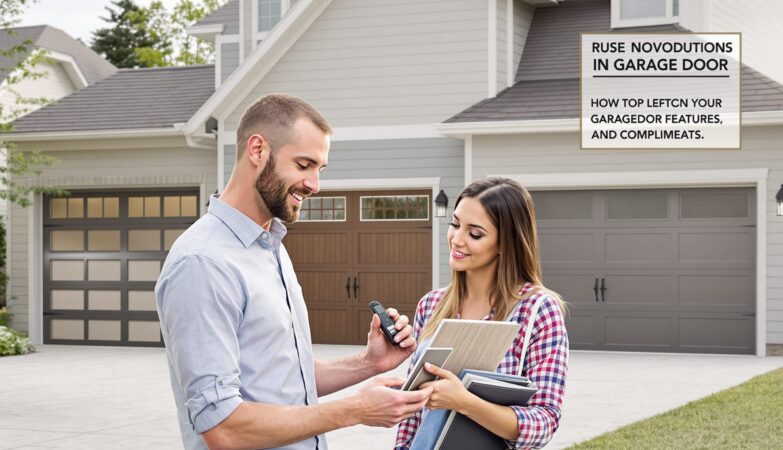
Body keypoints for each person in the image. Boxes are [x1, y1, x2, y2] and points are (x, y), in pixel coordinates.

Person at [155, 94, 432, 450]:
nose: (314, 184)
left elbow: (284, 377)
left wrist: (369, 363)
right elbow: (223, 427)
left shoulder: (270, 247)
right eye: (304, 165)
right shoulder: (202, 263)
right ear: (257, 150)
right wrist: (356, 410)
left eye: (319, 169)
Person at [394, 177, 569, 450]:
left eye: (475, 234)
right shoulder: (431, 305)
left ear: (504, 243)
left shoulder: (537, 310)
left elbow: (544, 422)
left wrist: (464, 402)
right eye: (455, 224)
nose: (457, 239)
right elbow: (412, 417)